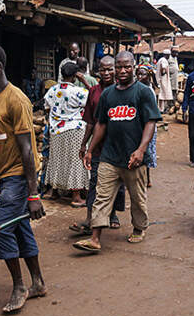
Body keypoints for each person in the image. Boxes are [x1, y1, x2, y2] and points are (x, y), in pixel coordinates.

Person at [0, 43, 46, 313]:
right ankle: (38, 282)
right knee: (19, 227)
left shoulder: (16, 99)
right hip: (4, 176)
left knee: (0, 228)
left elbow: (27, 149)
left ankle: (20, 286)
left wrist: (33, 194)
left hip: (19, 175)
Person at [74, 51, 161, 252]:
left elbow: (151, 122)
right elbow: (101, 124)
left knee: (137, 198)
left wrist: (141, 150)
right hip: (109, 156)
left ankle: (139, 228)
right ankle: (95, 238)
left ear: (134, 66)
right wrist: (90, 148)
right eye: (119, 67)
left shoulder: (143, 92)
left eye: (126, 66)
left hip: (133, 158)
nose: (122, 71)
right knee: (101, 197)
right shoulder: (108, 94)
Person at [69, 56, 125, 234]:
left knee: (116, 181)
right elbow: (90, 122)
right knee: (94, 181)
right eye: (103, 70)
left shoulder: (122, 90)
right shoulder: (93, 91)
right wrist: (84, 144)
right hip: (98, 146)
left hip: (117, 145)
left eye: (110, 69)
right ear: (97, 71)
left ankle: (113, 214)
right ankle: (90, 218)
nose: (106, 73)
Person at [44, 62, 89, 207]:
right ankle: (76, 197)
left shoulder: (52, 90)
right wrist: (85, 81)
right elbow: (95, 98)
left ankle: (54, 191)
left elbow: (47, 108)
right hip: (75, 129)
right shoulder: (79, 91)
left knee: (57, 159)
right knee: (75, 161)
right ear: (75, 75)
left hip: (56, 130)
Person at [137, 66, 158, 187]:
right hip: (140, 125)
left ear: (148, 76)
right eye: (138, 74)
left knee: (147, 152)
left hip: (148, 126)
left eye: (143, 75)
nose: (140, 77)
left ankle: (147, 179)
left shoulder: (148, 91)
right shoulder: (140, 88)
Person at [155, 49, 172, 113]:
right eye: (169, 55)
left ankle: (161, 108)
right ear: (167, 55)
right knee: (163, 94)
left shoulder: (161, 59)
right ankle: (162, 109)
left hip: (160, 79)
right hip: (163, 79)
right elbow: (163, 68)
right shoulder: (164, 60)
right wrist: (163, 73)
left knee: (161, 94)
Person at [168, 46, 180, 112]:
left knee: (175, 91)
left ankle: (174, 105)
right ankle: (170, 106)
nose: (177, 54)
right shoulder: (168, 58)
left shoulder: (175, 58)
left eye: (177, 53)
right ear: (172, 52)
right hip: (170, 78)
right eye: (175, 52)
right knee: (170, 92)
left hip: (175, 78)